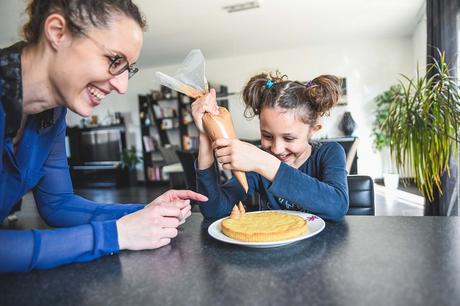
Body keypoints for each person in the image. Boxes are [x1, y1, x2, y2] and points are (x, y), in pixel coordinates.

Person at [0, 0, 208, 273]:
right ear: (57, 32)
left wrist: (144, 213)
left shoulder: (53, 113)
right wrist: (115, 235)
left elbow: (57, 203)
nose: (122, 86)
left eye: (127, 69)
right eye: (114, 60)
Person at [191, 72, 348, 221]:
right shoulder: (256, 166)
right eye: (267, 136)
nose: (276, 149)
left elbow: (337, 206)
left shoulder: (330, 152)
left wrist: (263, 162)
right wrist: (205, 133)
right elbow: (214, 210)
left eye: (289, 138)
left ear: (313, 130)